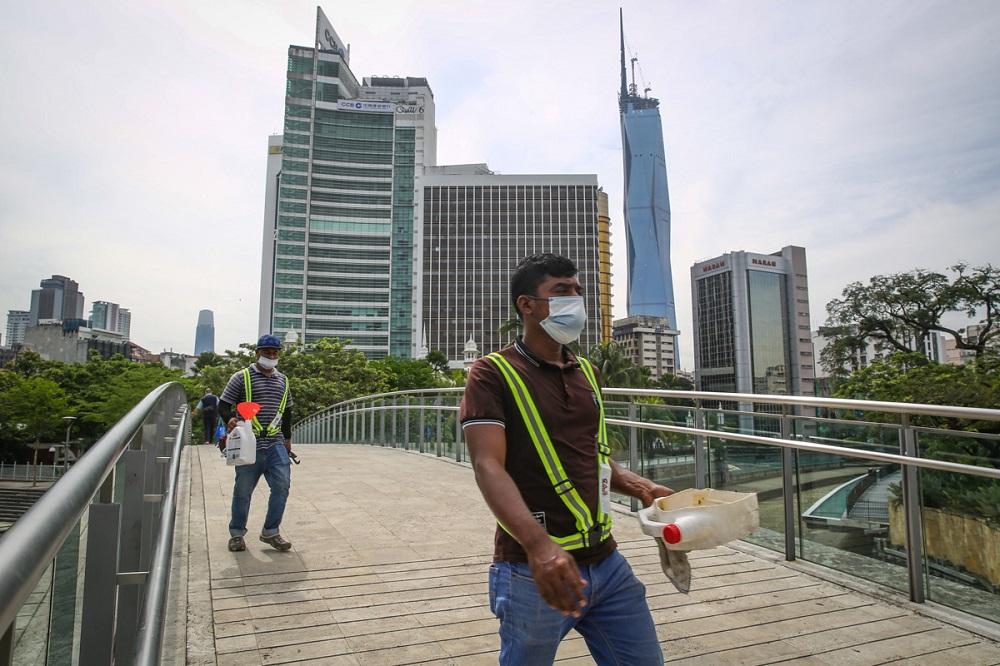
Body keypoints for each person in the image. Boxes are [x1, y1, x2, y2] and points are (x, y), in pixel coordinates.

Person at [460, 253, 673, 665]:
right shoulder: (491, 373)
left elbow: (592, 455)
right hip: (531, 570)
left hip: (606, 562)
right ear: (527, 304)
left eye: (577, 291)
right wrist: (540, 547)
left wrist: (643, 487)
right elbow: (488, 465)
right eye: (561, 291)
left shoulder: (587, 372)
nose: (575, 300)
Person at [219, 334, 294, 552]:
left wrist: (288, 440)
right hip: (249, 443)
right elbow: (224, 405)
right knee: (243, 490)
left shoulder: (283, 380)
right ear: (257, 353)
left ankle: (271, 531)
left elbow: (287, 412)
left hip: (275, 442)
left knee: (282, 485)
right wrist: (229, 418)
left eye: (275, 353)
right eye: (267, 352)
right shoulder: (241, 377)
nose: (271, 356)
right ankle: (237, 533)